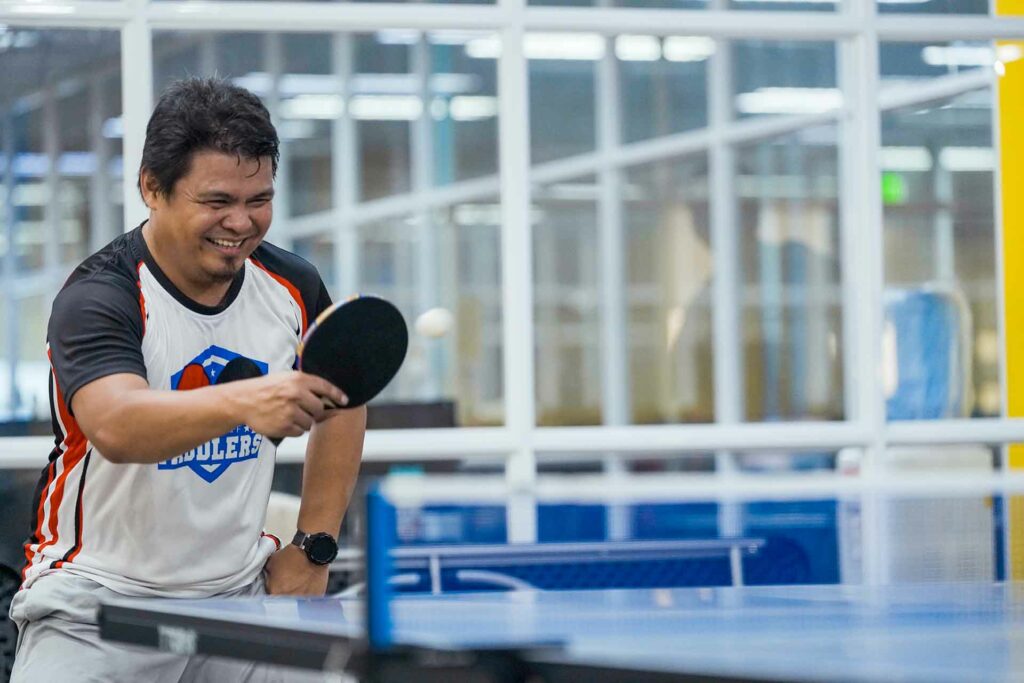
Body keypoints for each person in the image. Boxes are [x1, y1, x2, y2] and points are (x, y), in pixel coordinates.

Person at [9, 77, 365, 681]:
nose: (241, 222)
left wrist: (314, 547)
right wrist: (247, 399)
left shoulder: (291, 286)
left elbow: (345, 400)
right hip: (96, 605)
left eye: (259, 200)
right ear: (152, 187)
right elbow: (119, 425)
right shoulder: (101, 296)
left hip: (239, 601)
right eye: (217, 200)